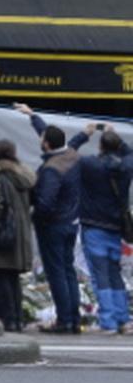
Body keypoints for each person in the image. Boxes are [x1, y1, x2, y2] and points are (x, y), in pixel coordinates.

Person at [16, 104, 83, 334]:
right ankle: (74, 318)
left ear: (46, 144)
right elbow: (52, 137)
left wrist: (36, 217)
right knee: (68, 271)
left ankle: (64, 320)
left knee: (56, 274)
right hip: (71, 222)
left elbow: (45, 202)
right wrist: (32, 116)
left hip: (53, 226)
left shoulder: (52, 169)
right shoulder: (71, 155)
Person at [70, 123, 130, 333]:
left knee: (100, 274)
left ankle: (109, 321)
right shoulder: (126, 166)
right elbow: (129, 153)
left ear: (100, 146)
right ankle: (123, 318)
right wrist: (114, 136)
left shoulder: (90, 164)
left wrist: (84, 134)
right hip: (115, 226)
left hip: (93, 225)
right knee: (114, 273)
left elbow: (68, 152)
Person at [0, 138, 35, 332]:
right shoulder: (25, 176)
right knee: (13, 277)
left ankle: (9, 318)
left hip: (4, 230)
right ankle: (18, 318)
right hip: (21, 230)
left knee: (2, 273)